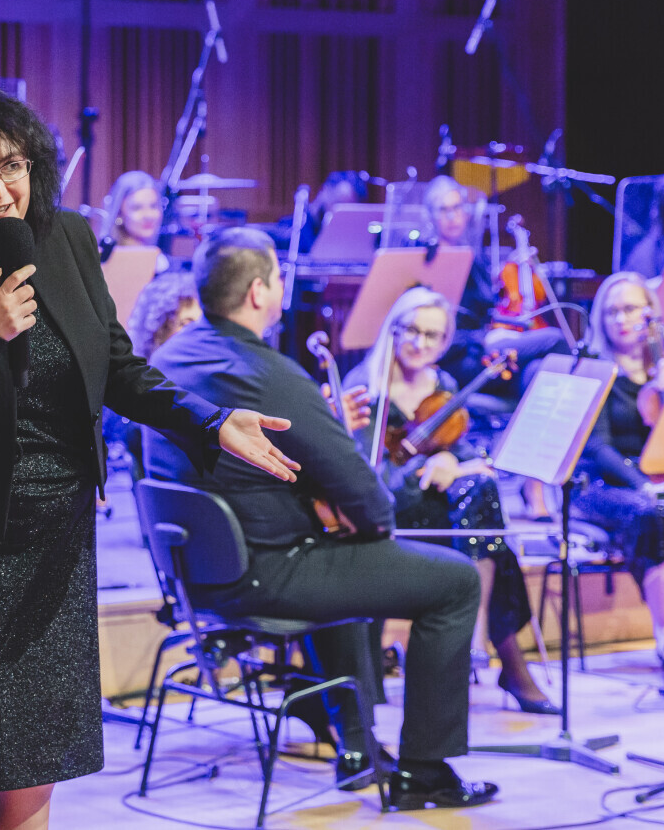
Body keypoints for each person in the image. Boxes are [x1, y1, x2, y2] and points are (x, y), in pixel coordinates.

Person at [0, 83, 298, 830]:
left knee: (36, 773)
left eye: (13, 165)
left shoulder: (63, 240)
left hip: (58, 538)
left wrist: (211, 420)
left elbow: (117, 366)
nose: (0, 190)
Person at [145, 226, 498, 811]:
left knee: (343, 558)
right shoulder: (269, 373)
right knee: (456, 581)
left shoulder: (169, 357)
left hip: (194, 574)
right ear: (259, 292)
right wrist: (358, 505)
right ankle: (425, 774)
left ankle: (357, 747)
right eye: (279, 278)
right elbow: (371, 503)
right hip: (263, 573)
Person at [345, 287, 557, 714]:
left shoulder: (442, 384)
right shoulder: (365, 390)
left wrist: (456, 463)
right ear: (393, 329)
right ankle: (507, 664)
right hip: (389, 519)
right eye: (411, 331)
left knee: (485, 510)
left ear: (445, 341)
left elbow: (457, 451)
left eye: (433, 336)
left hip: (440, 517)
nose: (420, 343)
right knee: (490, 538)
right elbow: (373, 482)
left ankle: (482, 646)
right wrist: (436, 467)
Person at [574, 272, 664, 668]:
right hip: (600, 483)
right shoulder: (594, 368)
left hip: (657, 479)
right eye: (612, 311)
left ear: (651, 313)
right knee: (651, 513)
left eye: (631, 308)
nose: (621, 318)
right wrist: (643, 483)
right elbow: (597, 448)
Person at [423, 175, 568, 519]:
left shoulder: (470, 257)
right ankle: (533, 473)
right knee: (555, 339)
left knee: (538, 373)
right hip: (458, 362)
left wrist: (503, 328)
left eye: (458, 207)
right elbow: (435, 334)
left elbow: (486, 312)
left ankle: (530, 478)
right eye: (444, 210)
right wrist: (484, 338)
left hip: (486, 355)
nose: (453, 216)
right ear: (430, 217)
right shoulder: (428, 262)